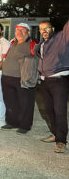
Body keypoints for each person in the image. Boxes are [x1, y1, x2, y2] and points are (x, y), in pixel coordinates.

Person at [36, 19, 69, 153]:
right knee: (49, 110)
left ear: (53, 29)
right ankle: (55, 134)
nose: (44, 31)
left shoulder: (61, 39)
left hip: (59, 81)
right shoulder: (42, 43)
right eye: (41, 29)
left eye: (47, 28)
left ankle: (61, 141)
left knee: (60, 111)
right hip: (45, 81)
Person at [1, 23, 38, 134]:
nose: (19, 33)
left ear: (28, 32)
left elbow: (38, 60)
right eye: (18, 30)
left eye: (23, 30)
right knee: (10, 102)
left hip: (23, 79)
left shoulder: (33, 44)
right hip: (7, 77)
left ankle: (25, 125)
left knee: (25, 103)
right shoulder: (13, 42)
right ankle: (12, 122)